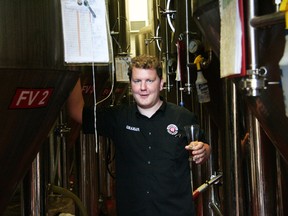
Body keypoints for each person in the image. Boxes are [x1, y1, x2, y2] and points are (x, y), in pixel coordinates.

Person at [67, 55, 211, 216]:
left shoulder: (182, 117)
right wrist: (72, 66)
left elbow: (203, 146)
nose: (143, 87)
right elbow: (77, 111)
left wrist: (204, 150)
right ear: (131, 84)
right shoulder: (119, 117)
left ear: (161, 83)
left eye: (149, 81)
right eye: (137, 81)